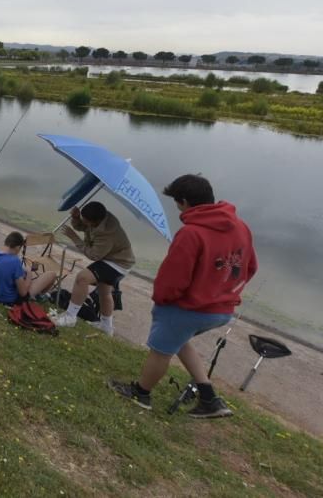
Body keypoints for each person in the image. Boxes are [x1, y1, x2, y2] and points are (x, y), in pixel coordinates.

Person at [108, 174, 257, 418]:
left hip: (190, 309)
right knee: (179, 341)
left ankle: (141, 393)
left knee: (160, 350)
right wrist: (224, 290)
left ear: (186, 201)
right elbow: (250, 267)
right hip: (222, 310)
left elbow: (173, 278)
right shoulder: (241, 227)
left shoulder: (191, 233)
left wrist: (162, 299)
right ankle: (210, 399)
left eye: (177, 203)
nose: (177, 208)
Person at [51, 201, 135, 336]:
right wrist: (76, 218)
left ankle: (70, 316)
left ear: (96, 221)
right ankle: (106, 326)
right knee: (104, 291)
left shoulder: (108, 233)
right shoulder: (98, 219)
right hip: (116, 259)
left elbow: (93, 255)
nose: (86, 224)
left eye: (87, 222)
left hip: (118, 263)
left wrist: (74, 238)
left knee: (82, 278)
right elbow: (84, 227)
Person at [0, 231, 57, 306]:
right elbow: (23, 293)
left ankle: (38, 295)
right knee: (51, 275)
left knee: (21, 276)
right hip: (10, 300)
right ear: (17, 247)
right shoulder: (15, 261)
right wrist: (29, 274)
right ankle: (39, 296)